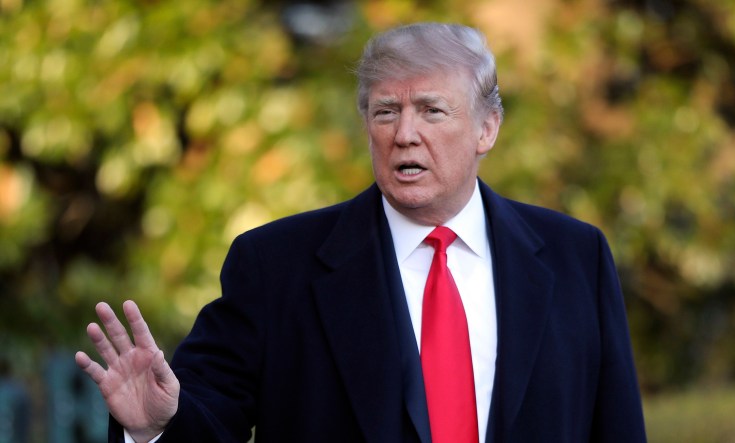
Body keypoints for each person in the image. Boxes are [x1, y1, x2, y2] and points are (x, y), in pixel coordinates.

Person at [75, 22, 647, 442]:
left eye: (432, 111)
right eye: (384, 112)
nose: (404, 134)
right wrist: (154, 429)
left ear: (487, 127)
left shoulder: (577, 257)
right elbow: (206, 412)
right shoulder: (276, 266)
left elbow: (616, 428)